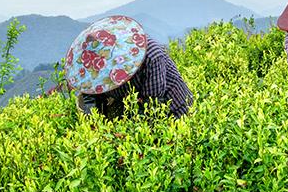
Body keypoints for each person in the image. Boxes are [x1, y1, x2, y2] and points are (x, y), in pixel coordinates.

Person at [63, 15, 193, 118]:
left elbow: (152, 105)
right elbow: (90, 93)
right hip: (130, 105)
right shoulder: (93, 67)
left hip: (173, 108)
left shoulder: (152, 56)